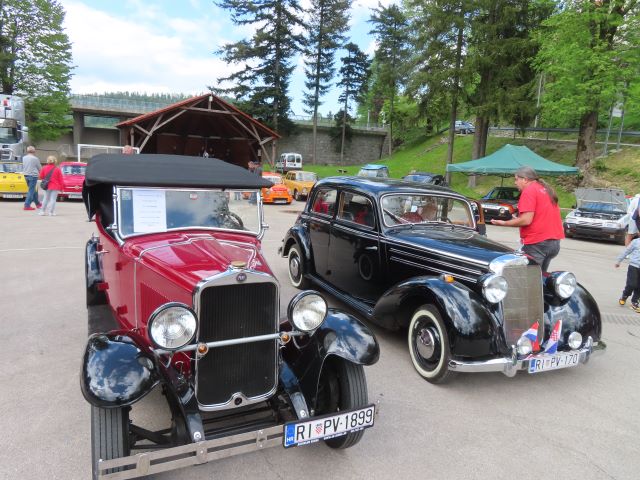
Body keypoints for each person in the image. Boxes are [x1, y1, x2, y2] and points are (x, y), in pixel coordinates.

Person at [491, 166, 564, 273]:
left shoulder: (529, 191)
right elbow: (541, 214)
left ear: (525, 179)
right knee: (540, 276)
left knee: (526, 278)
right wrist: (519, 219)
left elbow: (526, 220)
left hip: (537, 243)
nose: (515, 183)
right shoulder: (545, 189)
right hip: (554, 242)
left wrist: (504, 223)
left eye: (516, 179)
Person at [615, 236, 640, 313]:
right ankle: (625, 295)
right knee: (631, 284)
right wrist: (618, 261)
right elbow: (626, 251)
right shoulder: (636, 242)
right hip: (633, 266)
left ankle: (635, 302)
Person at [22, 145, 42, 210]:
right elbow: (39, 168)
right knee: (31, 191)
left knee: (33, 190)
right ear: (34, 151)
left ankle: (38, 204)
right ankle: (27, 205)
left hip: (26, 175)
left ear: (27, 151)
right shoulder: (35, 158)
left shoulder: (24, 158)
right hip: (33, 176)